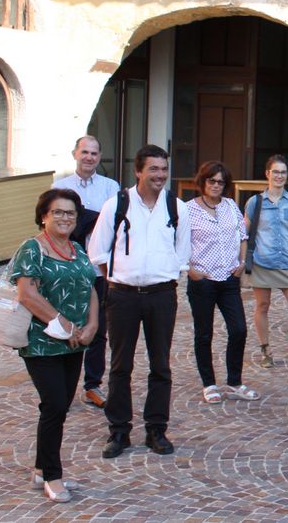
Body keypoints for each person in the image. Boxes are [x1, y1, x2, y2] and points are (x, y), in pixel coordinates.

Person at [88, 144, 192, 459]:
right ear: (138, 171)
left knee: (161, 365)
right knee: (121, 365)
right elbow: (98, 252)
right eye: (153, 169)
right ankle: (119, 430)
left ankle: (156, 429)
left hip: (162, 294)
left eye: (164, 169)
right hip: (123, 295)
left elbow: (182, 253)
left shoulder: (177, 207)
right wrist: (119, 279)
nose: (160, 175)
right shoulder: (116, 204)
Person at [12, 189, 99, 502]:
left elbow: (90, 287)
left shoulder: (77, 248)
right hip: (42, 343)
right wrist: (65, 324)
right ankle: (52, 475)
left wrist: (92, 324)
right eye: (58, 212)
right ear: (44, 216)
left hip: (74, 343)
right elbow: (27, 294)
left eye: (70, 213)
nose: (65, 217)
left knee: (59, 406)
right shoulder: (32, 249)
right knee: (54, 405)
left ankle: (40, 469)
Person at [51, 135, 119, 409]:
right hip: (66, 267)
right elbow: (54, 224)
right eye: (85, 152)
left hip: (98, 268)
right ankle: (61, 386)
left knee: (98, 328)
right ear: (75, 154)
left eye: (94, 153)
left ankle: (92, 384)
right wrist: (91, 218)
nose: (89, 157)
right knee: (61, 324)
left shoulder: (110, 187)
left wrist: (85, 218)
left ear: (99, 157)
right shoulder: (60, 187)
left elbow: (113, 224)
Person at [186, 161, 257, 404]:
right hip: (203, 280)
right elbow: (178, 243)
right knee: (204, 333)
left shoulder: (230, 206)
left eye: (220, 182)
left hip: (228, 278)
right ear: (203, 181)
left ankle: (234, 381)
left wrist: (241, 263)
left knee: (239, 329)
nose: (216, 185)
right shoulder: (188, 210)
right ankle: (209, 383)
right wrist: (191, 271)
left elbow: (242, 236)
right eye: (212, 181)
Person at [243, 155, 288, 368]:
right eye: (276, 172)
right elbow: (245, 231)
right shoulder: (255, 202)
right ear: (267, 174)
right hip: (262, 261)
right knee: (262, 305)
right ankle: (266, 350)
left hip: (286, 261)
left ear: (287, 175)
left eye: (283, 172)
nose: (279, 176)